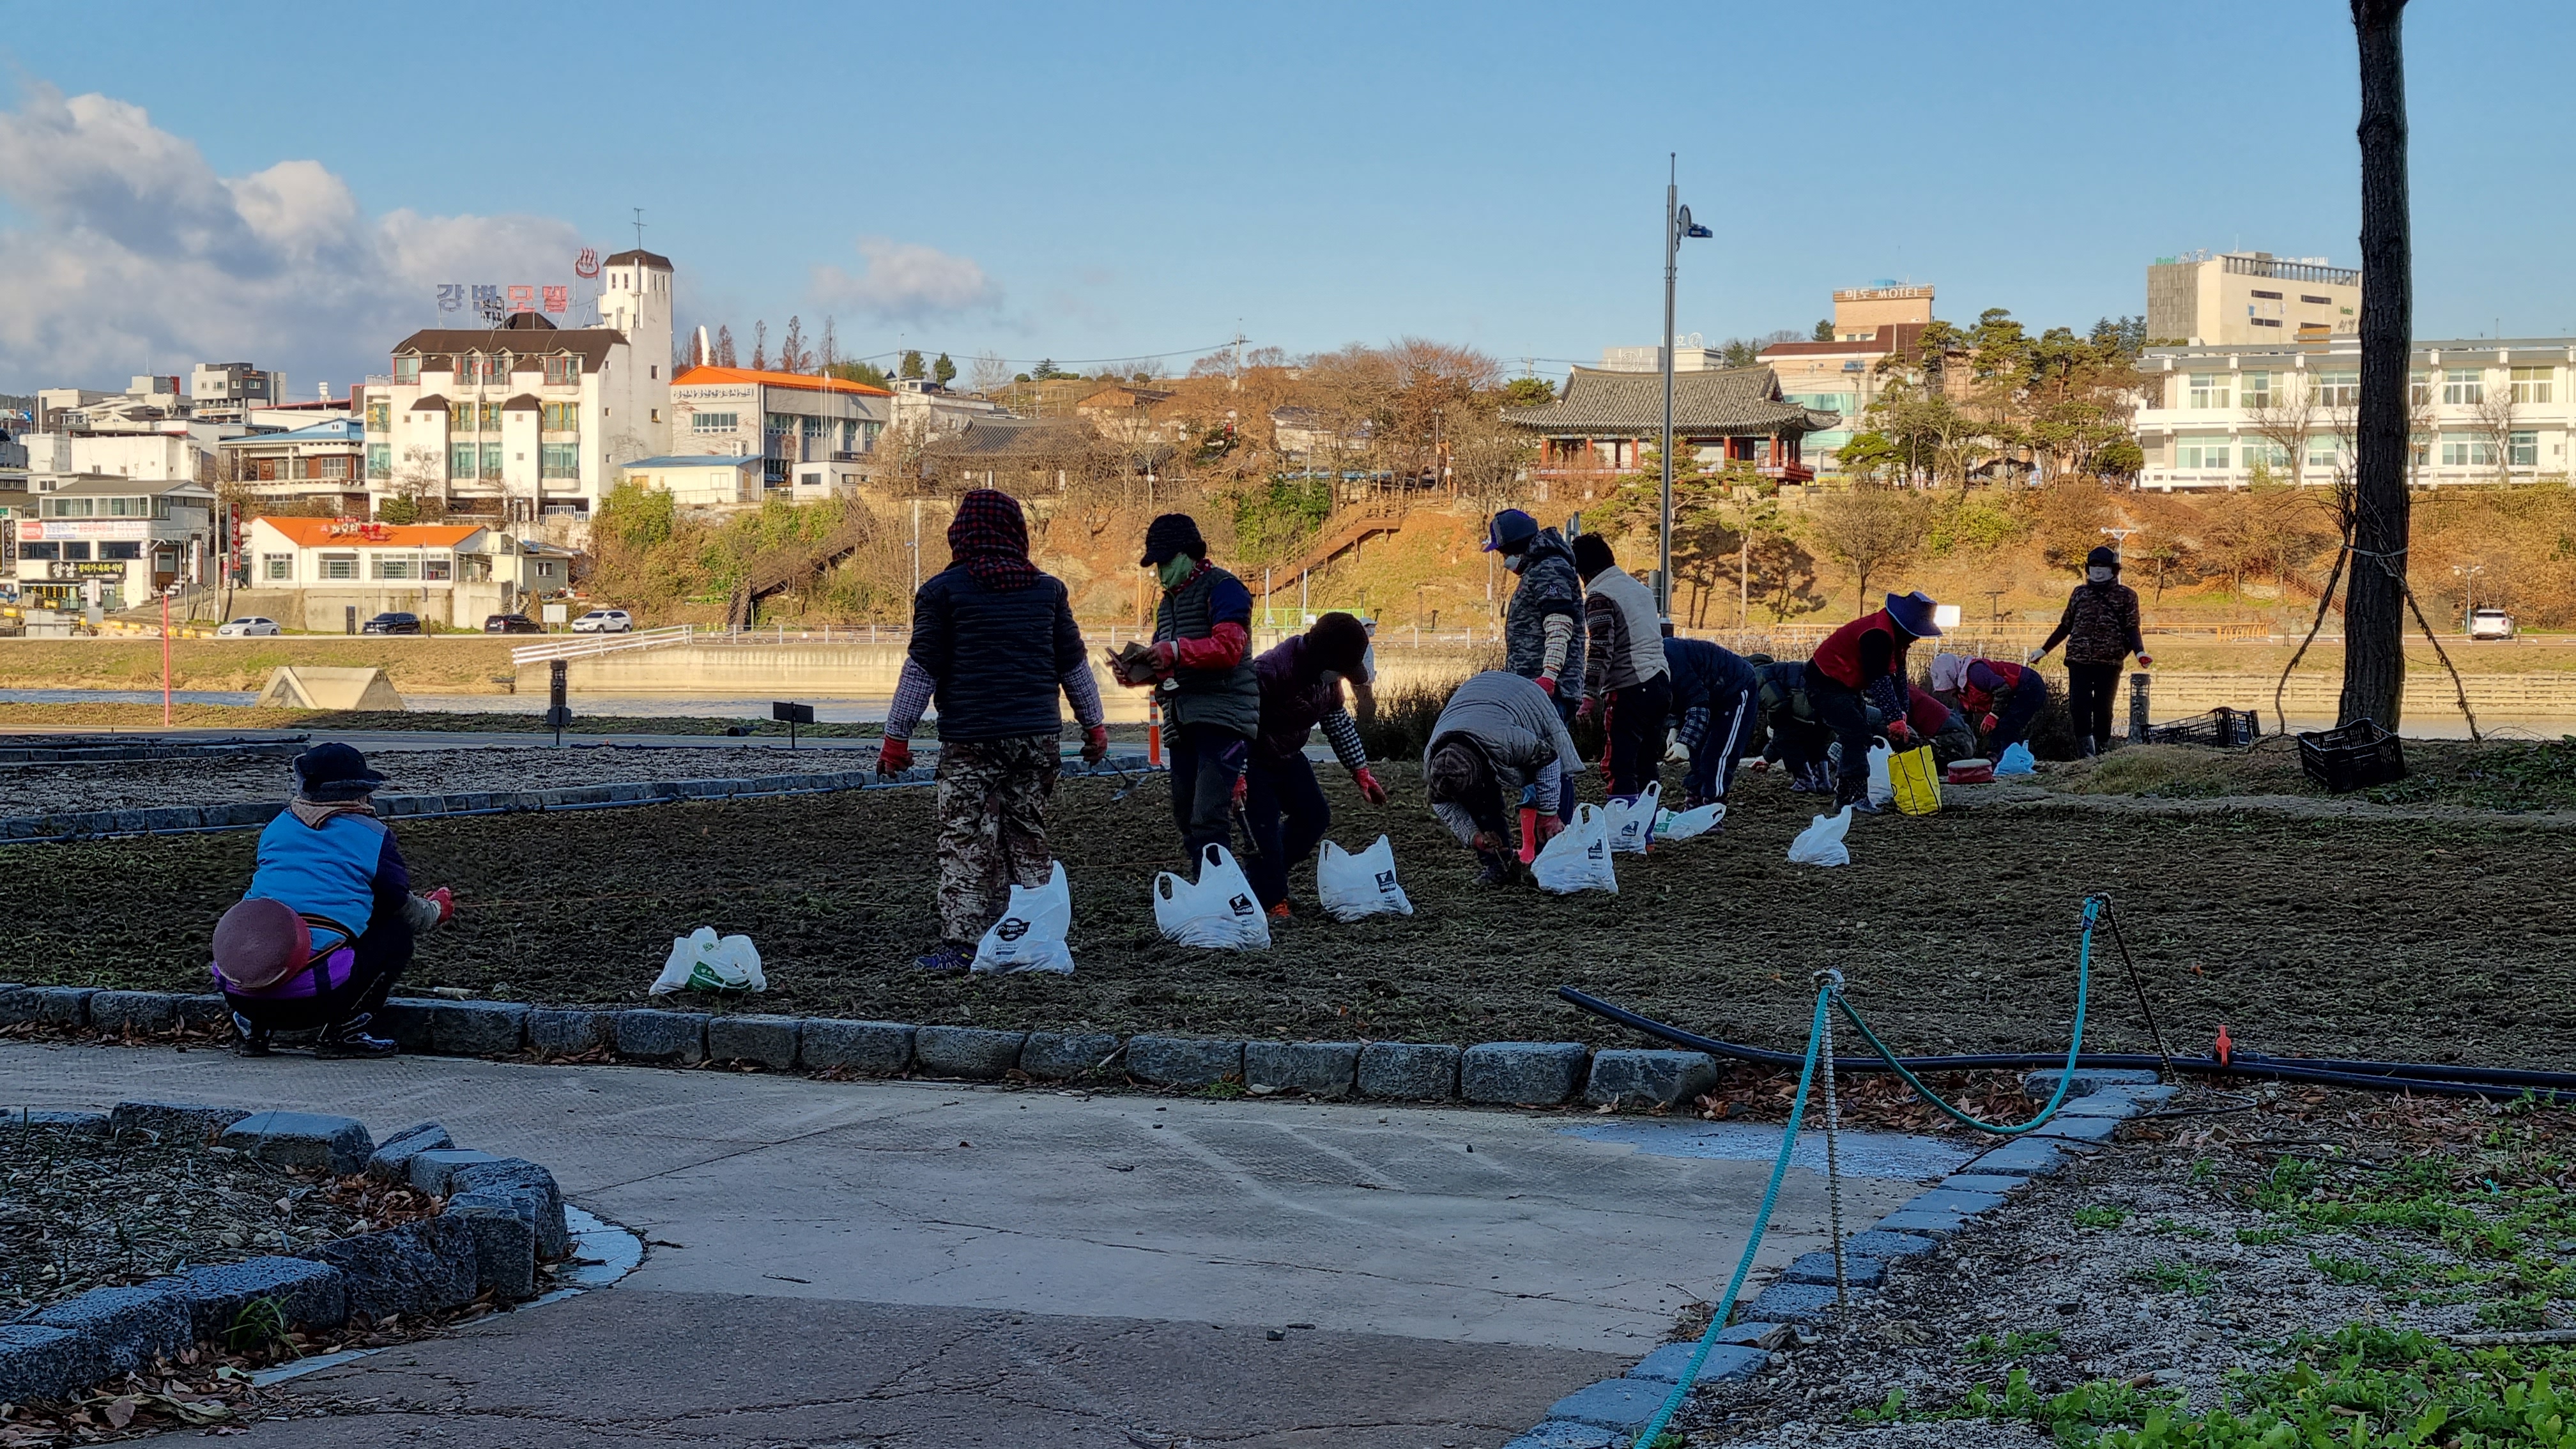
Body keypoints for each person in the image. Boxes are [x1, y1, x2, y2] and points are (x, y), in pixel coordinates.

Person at [879, 489, 1108, 973]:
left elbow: (921, 671)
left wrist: (897, 739)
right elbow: (1074, 667)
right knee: (1028, 834)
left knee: (965, 838)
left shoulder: (942, 592)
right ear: (1016, 534)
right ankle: (1034, 936)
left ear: (960, 534)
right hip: (1037, 738)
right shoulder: (1048, 591)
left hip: (971, 739)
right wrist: (1095, 727)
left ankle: (964, 944)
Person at [211, 744, 452, 1058]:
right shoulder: (373, 836)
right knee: (396, 934)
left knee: (259, 921)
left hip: (242, 993)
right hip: (316, 1000)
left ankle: (252, 1031)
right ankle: (345, 1033)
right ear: (361, 792)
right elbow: (400, 906)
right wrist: (436, 909)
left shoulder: (277, 827)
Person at [1111, 513, 1261, 861]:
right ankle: (1210, 882)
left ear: (1188, 554)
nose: (1161, 571)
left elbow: (1229, 648)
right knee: (1186, 815)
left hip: (1224, 718)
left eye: (1165, 561)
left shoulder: (1225, 588)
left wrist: (1175, 651)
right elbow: (1164, 659)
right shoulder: (1167, 605)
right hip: (1182, 721)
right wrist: (1135, 673)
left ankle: (1219, 887)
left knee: (1208, 818)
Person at [1241, 611, 1385, 916]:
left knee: (1314, 816)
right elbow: (1239, 724)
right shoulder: (1270, 672)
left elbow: (1337, 722)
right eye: (1342, 671)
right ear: (1324, 660)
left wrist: (1360, 770)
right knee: (1264, 831)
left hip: (1289, 755)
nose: (1343, 678)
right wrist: (1238, 774)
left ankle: (1262, 880)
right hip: (1253, 759)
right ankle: (1272, 900)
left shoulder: (1326, 682)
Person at [1422, 670, 1584, 885]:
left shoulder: (1507, 740)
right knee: (1478, 802)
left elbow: (1550, 759)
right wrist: (1475, 836)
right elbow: (1444, 805)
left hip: (1525, 697)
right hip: (1476, 702)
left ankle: (1552, 861)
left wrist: (1548, 813)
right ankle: (1499, 865)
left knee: (1560, 774)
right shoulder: (1433, 764)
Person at [1806, 590, 1944, 811]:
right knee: (1857, 735)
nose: (1918, 637)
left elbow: (1899, 677)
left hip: (1846, 686)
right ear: (1905, 626)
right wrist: (1894, 719)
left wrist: (1902, 713)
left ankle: (1844, 798)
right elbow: (1878, 679)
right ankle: (1856, 797)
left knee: (1857, 735)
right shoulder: (1877, 636)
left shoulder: (1896, 639)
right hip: (1825, 683)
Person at [1570, 533, 1671, 809]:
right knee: (1646, 763)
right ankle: (1646, 826)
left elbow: (1601, 649)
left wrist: (1588, 697)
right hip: (1660, 682)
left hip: (1630, 688)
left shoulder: (1600, 596)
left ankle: (1623, 825)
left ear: (1582, 572)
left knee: (1619, 765)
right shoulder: (1640, 590)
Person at [2034, 546, 2151, 756]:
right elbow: (2065, 626)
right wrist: (2044, 650)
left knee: (2103, 708)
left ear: (2113, 570)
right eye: (2094, 566)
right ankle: (2086, 755)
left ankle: (2102, 752)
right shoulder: (2079, 593)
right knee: (2078, 707)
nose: (2098, 570)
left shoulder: (2127, 596)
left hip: (2109, 661)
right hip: (2078, 659)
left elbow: (2132, 627)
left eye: (2103, 566)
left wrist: (2140, 652)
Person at [1662, 635, 1758, 811]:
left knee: (1718, 754)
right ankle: (1694, 803)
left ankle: (1712, 808)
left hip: (1735, 688)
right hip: (1709, 693)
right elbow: (1677, 697)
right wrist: (1675, 728)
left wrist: (1685, 743)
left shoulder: (1671, 661)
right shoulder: (1653, 663)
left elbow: (1696, 702)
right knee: (1697, 755)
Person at [1931, 652, 2051, 760]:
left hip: (2029, 685)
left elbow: (2003, 689)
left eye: (1947, 689)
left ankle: (2008, 762)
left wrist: (1993, 715)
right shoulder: (1961, 692)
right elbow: (1964, 718)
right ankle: (1995, 757)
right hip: (2014, 693)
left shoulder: (1975, 673)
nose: (1948, 693)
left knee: (2007, 724)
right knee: (1999, 725)